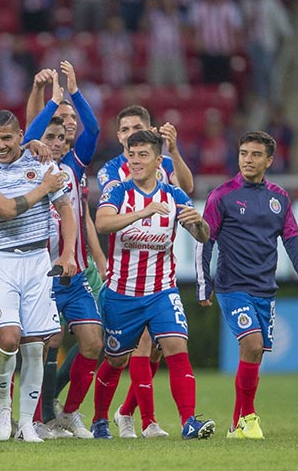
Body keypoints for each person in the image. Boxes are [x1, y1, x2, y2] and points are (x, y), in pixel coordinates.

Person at [93, 130, 215, 441]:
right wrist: (144, 212)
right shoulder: (118, 192)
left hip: (162, 290)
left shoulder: (174, 196)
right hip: (122, 293)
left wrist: (199, 222)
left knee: (176, 346)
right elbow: (102, 223)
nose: (135, 161)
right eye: (132, 155)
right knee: (115, 360)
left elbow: (202, 236)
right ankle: (99, 420)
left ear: (158, 160)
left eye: (143, 155)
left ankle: (189, 422)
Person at [197, 131, 298, 439]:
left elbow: (291, 237)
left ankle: (237, 425)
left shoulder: (279, 198)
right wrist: (204, 283)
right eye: (244, 154)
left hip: (265, 289)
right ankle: (250, 418)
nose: (248, 160)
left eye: (255, 155)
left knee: (254, 355)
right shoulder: (221, 195)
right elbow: (205, 240)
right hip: (231, 286)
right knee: (251, 345)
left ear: (269, 160)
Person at [0, 109, 78, 443]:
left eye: (6, 138)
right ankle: (2, 404)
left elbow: (66, 209)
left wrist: (66, 254)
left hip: (37, 258)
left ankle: (26, 423)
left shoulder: (42, 165)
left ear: (20, 135)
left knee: (37, 346)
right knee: (8, 339)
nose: (0, 145)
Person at [22, 63, 103, 438]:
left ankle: (68, 413)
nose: (57, 139)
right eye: (52, 133)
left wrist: (74, 90)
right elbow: (29, 133)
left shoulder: (74, 165)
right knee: (49, 342)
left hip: (74, 272)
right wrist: (46, 97)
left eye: (64, 133)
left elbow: (95, 129)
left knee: (92, 342)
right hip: (41, 273)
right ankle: (40, 417)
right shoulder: (28, 166)